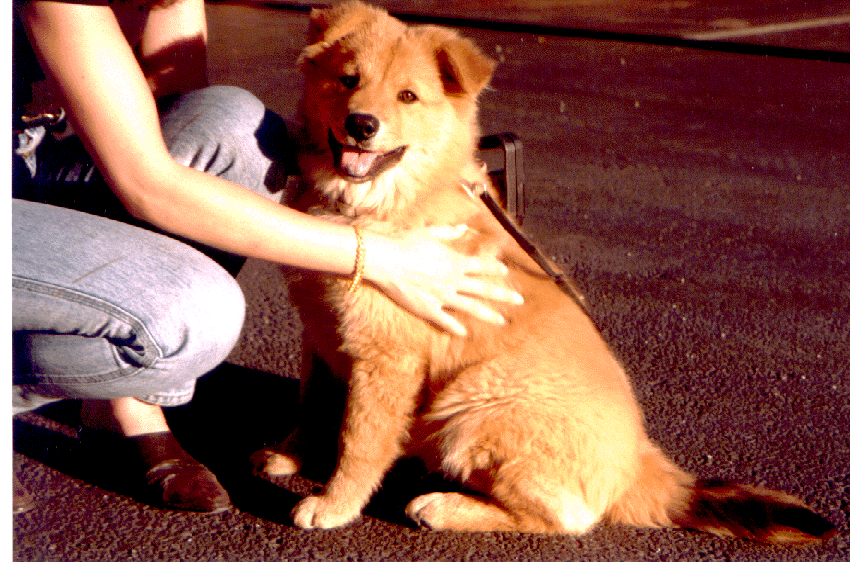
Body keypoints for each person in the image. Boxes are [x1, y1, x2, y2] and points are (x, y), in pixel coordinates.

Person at [12, 0, 522, 514]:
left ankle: (123, 401)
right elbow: (150, 184)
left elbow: (180, 117)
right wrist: (375, 255)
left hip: (33, 155)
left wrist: (444, 163)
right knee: (194, 314)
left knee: (237, 127)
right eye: (349, 81)